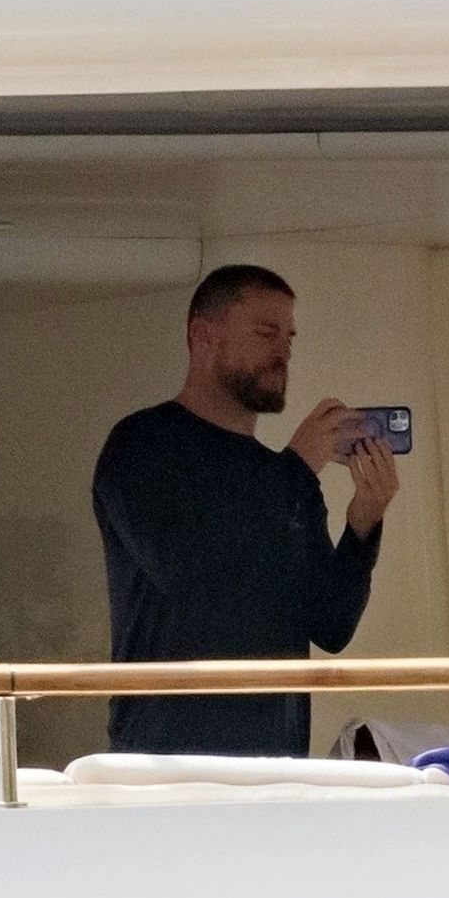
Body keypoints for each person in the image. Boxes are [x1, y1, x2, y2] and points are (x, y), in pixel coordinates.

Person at [92, 264, 401, 757]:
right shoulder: (142, 444)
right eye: (265, 333)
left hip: (277, 759)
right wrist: (296, 470)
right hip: (166, 758)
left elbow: (331, 624)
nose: (283, 352)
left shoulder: (285, 480)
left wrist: (363, 522)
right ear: (203, 335)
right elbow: (188, 570)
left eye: (289, 337)